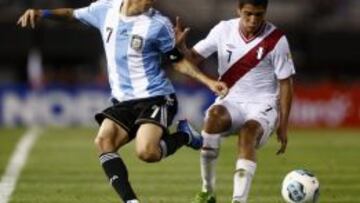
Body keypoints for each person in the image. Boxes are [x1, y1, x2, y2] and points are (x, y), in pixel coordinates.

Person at [17, 1, 228, 203]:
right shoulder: (105, 10)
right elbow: (72, 14)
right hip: (123, 101)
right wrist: (42, 13)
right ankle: (131, 200)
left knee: (147, 152)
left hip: (157, 97)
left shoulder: (158, 24)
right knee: (103, 141)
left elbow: (178, 62)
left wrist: (208, 81)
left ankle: (184, 135)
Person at [176, 0, 295, 202]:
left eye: (259, 14)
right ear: (238, 10)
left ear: (265, 12)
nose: (253, 20)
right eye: (248, 13)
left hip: (263, 104)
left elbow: (286, 83)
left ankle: (239, 200)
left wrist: (283, 124)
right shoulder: (223, 30)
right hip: (232, 100)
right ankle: (208, 191)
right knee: (213, 117)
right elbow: (191, 59)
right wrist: (180, 48)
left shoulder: (276, 40)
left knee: (248, 133)